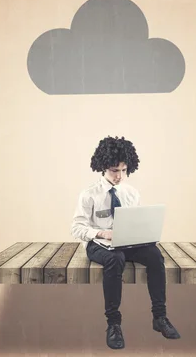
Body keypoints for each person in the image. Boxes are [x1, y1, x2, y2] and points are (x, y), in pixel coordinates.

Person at [71, 136, 180, 350]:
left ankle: (160, 317)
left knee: (155, 256)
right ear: (103, 167)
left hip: (127, 242)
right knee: (115, 259)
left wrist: (141, 234)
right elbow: (76, 228)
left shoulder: (131, 193)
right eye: (114, 170)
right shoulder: (89, 195)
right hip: (99, 245)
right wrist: (103, 233)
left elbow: (136, 222)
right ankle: (113, 324)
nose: (119, 176)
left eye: (123, 170)